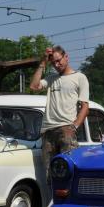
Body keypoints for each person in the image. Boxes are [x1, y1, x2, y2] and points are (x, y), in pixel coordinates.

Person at [29, 45, 90, 184]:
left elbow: (85, 107)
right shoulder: (51, 79)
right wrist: (43, 62)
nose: (57, 65)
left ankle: (69, 198)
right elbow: (33, 86)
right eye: (53, 63)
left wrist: (74, 127)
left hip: (66, 129)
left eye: (58, 60)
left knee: (68, 173)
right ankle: (53, 197)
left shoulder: (80, 77)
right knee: (50, 176)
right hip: (48, 131)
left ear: (66, 57)